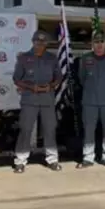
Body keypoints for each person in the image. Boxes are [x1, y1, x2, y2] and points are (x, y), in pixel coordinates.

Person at [12, 30, 62, 173]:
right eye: (37, 42)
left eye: (43, 42)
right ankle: (20, 161)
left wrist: (51, 86)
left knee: (50, 129)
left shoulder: (52, 58)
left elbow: (58, 77)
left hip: (47, 99)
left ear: (46, 44)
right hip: (30, 99)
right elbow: (16, 79)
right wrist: (31, 87)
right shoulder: (24, 58)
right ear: (33, 42)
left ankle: (52, 159)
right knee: (25, 129)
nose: (40, 44)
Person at [77, 31, 105, 169]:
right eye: (96, 42)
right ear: (92, 44)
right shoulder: (85, 58)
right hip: (89, 102)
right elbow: (82, 78)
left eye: (102, 42)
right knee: (89, 130)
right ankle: (88, 158)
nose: (99, 45)